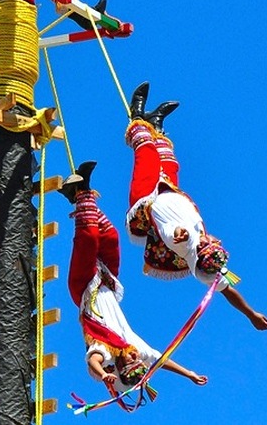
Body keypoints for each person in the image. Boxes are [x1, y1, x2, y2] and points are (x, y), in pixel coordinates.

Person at [125, 82, 267, 331]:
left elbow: (174, 234)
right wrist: (251, 314)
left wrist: (179, 234)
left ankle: (137, 113)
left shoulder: (184, 243)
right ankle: (157, 123)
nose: (211, 239)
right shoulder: (207, 261)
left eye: (209, 243)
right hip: (171, 190)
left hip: (147, 198)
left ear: (202, 249)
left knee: (146, 151)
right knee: (169, 161)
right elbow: (228, 292)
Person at [60, 161, 208, 396]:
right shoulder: (133, 344)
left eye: (131, 361)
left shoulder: (106, 350)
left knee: (88, 238)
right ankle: (81, 191)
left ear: (120, 366)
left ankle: (80, 195)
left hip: (84, 287)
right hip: (106, 279)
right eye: (138, 361)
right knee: (110, 236)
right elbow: (159, 359)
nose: (135, 356)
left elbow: (93, 362)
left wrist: (104, 374)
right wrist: (188, 373)